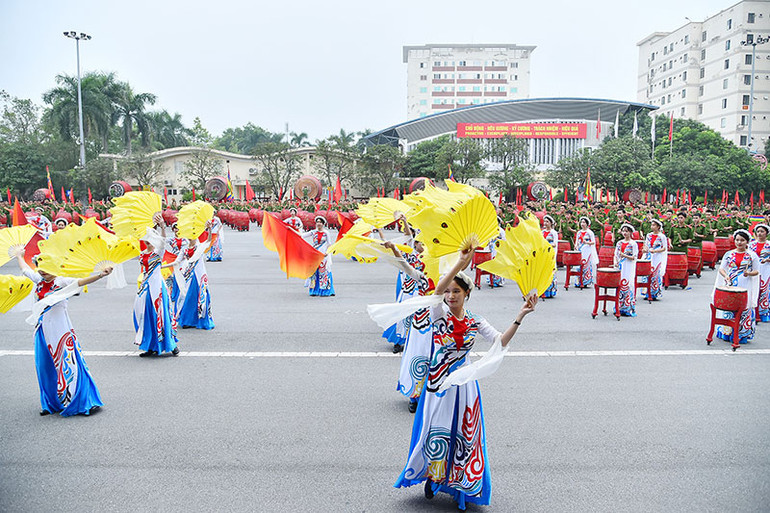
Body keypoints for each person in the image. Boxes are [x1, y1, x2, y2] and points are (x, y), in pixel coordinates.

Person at [393, 248, 537, 510]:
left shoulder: (475, 321)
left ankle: (461, 482)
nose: (450, 296)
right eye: (449, 291)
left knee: (464, 435)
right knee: (435, 430)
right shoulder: (439, 314)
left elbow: (500, 341)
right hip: (438, 383)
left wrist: (520, 316)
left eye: (456, 291)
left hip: (466, 386)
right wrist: (460, 263)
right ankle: (433, 476)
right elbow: (437, 291)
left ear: (467, 293)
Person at [16, 251, 112, 416]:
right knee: (44, 367)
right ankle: (51, 403)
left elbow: (80, 282)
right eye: (40, 267)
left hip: (60, 331)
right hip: (42, 330)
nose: (42, 271)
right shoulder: (40, 281)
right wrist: (19, 255)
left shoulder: (61, 281)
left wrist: (101, 275)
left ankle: (77, 400)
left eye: (46, 268)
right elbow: (25, 269)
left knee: (68, 365)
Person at [133, 225, 180, 357]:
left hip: (158, 287)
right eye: (146, 240)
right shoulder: (142, 254)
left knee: (162, 314)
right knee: (146, 315)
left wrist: (163, 227)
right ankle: (150, 345)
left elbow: (163, 242)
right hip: (146, 286)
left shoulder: (158, 253)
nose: (148, 242)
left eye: (150, 240)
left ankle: (171, 344)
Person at [715, 229, 760, 344]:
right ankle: (727, 332)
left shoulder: (752, 256)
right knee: (729, 307)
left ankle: (742, 333)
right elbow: (721, 268)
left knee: (744, 307)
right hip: (731, 284)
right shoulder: (729, 254)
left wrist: (749, 273)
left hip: (745, 284)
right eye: (737, 240)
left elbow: (757, 271)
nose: (739, 242)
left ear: (747, 242)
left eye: (742, 240)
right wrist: (726, 276)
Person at [177, 222, 215, 329]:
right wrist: (162, 266)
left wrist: (209, 229)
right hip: (188, 276)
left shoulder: (200, 247)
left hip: (198, 276)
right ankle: (187, 320)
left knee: (199, 297)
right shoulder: (185, 249)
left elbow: (208, 241)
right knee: (187, 297)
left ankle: (199, 320)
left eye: (192, 235)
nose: (190, 237)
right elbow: (177, 261)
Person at [302, 216, 335, 296]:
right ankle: (314, 290)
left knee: (323, 271)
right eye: (317, 222)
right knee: (313, 272)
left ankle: (325, 291)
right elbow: (302, 235)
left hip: (323, 254)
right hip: (314, 254)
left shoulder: (326, 233)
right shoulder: (313, 232)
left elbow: (329, 244)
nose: (318, 224)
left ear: (323, 224)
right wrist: (291, 230)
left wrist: (327, 252)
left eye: (320, 222)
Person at [614, 223, 638, 316]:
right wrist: (616, 262)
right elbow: (616, 254)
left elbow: (634, 257)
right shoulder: (619, 243)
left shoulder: (633, 244)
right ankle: (619, 307)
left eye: (627, 231)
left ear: (630, 232)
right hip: (621, 266)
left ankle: (628, 307)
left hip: (629, 266)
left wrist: (624, 255)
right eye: (623, 231)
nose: (625, 233)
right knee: (620, 284)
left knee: (628, 284)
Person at [642, 219, 668, 301]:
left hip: (658, 257)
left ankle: (655, 293)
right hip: (649, 256)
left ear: (658, 227)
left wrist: (655, 251)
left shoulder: (662, 236)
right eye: (652, 225)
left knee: (656, 274)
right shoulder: (649, 235)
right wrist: (645, 249)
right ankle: (647, 292)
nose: (652, 226)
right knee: (647, 273)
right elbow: (646, 244)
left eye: (654, 225)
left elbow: (664, 248)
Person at [749, 223, 770, 322]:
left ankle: (763, 313)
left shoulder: (769, 244)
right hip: (754, 269)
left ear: (766, 233)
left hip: (766, 269)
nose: (759, 233)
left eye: (762, 231)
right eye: (758, 231)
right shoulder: (751, 244)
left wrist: (768, 260)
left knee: (764, 290)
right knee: (753, 289)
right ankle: (753, 313)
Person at [574, 216, 598, 288]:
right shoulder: (579, 232)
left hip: (587, 250)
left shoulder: (590, 232)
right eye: (581, 222)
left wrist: (587, 242)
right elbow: (577, 241)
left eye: (584, 222)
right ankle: (578, 281)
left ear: (587, 224)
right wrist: (576, 246)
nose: (582, 224)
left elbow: (593, 242)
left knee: (586, 265)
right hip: (580, 250)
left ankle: (586, 281)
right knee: (579, 265)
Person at [541, 214, 558, 297]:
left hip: (550, 253)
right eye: (544, 221)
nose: (545, 223)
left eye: (547, 221)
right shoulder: (542, 232)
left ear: (551, 223)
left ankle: (551, 290)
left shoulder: (553, 233)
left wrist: (547, 244)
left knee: (550, 271)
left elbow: (555, 244)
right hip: (543, 254)